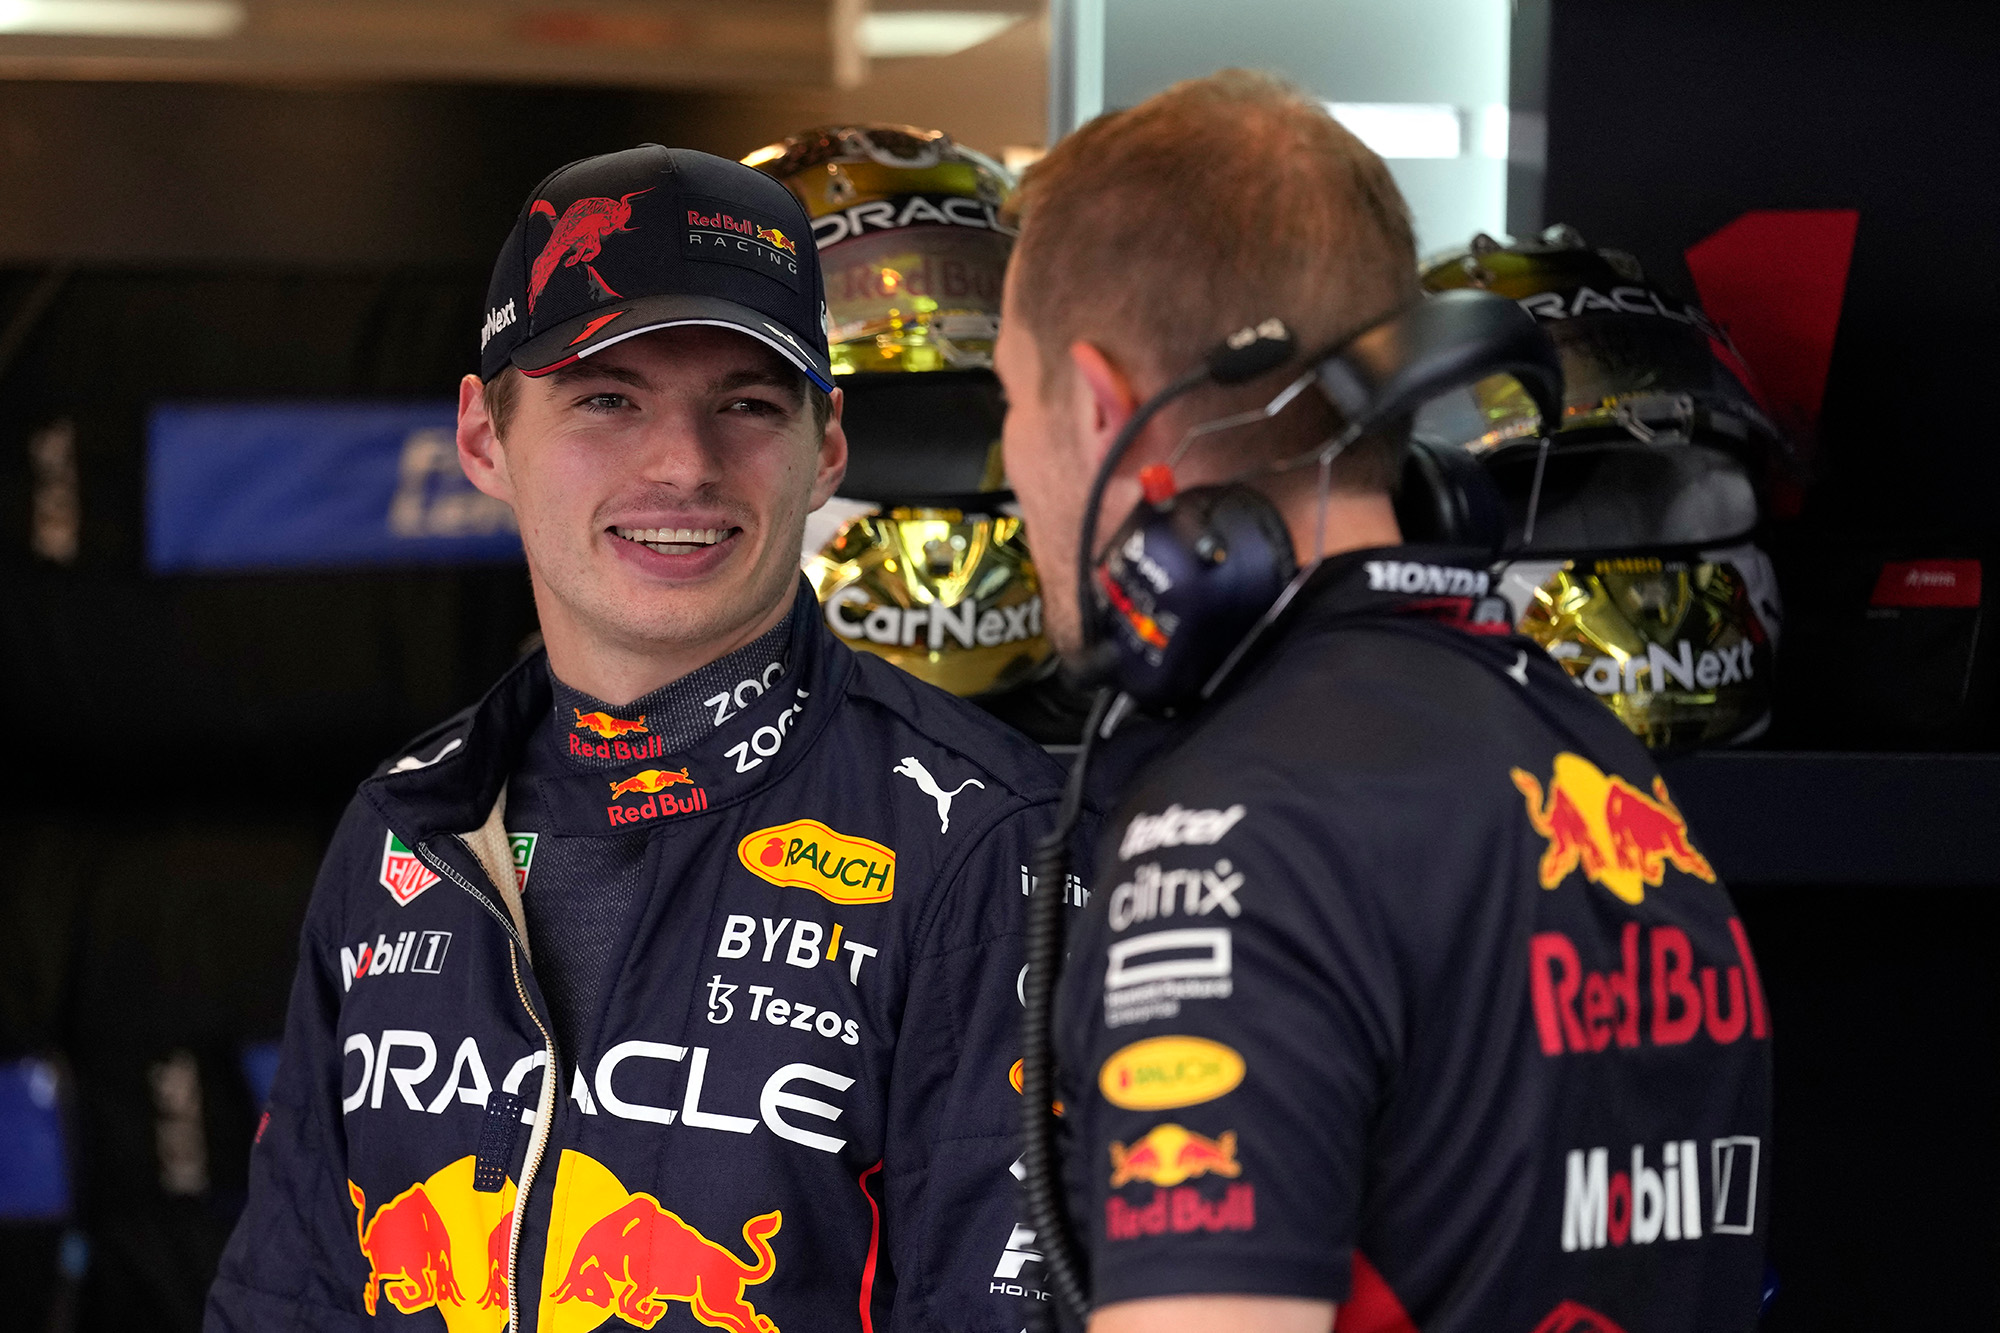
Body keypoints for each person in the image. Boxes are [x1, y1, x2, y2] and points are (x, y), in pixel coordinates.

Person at [207, 144, 1080, 1333]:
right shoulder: (401, 828)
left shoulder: (985, 841)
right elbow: (282, 1300)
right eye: (606, 398)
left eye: (747, 403)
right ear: (482, 437)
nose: (683, 464)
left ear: (826, 445)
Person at [996, 73, 1772, 1333]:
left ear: (1090, 402)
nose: (1013, 467)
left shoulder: (1228, 837)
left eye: (1008, 404)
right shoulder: (1598, 769)